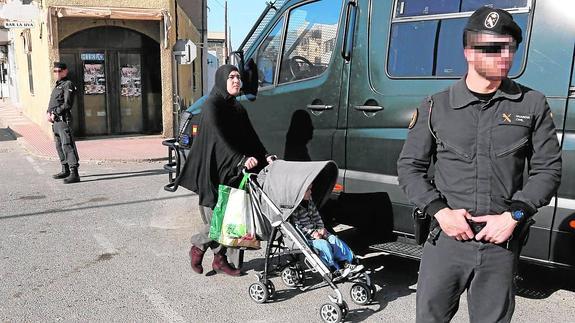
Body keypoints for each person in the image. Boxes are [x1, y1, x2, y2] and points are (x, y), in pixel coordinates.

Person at [397, 7, 562, 322]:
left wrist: (514, 216)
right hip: (446, 240)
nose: (503, 55)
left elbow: (549, 170)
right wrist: (440, 212)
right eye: (492, 47)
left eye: (509, 47)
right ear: (469, 51)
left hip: (500, 243)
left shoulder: (532, 105)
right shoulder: (436, 107)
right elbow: (410, 168)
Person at [180, 64, 275, 276]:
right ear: (222, 79)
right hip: (213, 172)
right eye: (231, 77)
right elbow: (218, 139)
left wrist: (264, 155)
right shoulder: (211, 105)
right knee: (218, 218)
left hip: (233, 170)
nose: (236, 81)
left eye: (238, 77)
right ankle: (197, 246)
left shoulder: (238, 108)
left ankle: (219, 261)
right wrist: (240, 159)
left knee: (234, 218)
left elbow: (250, 137)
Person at [292, 183, 363, 278]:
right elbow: (297, 226)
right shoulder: (294, 209)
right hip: (306, 237)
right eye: (308, 190)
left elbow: (317, 217)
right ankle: (333, 268)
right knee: (323, 245)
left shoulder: (310, 202)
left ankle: (345, 262)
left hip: (316, 231)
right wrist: (312, 233)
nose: (311, 192)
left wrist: (321, 229)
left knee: (334, 239)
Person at [47, 62, 80, 184]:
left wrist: (55, 113)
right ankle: (65, 169)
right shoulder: (57, 85)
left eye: (59, 71)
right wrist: (48, 112)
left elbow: (67, 104)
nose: (57, 73)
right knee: (59, 146)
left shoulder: (68, 84)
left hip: (63, 120)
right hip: (55, 121)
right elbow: (53, 102)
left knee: (67, 145)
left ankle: (74, 173)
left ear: (65, 71)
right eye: (55, 71)